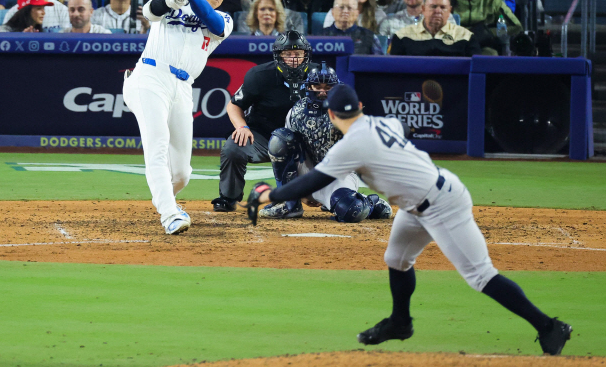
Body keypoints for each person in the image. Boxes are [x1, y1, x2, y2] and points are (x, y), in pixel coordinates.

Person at [248, 83, 573, 357]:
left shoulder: (352, 144)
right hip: (419, 203)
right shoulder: (380, 123)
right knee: (397, 258)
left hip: (443, 205)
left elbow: (310, 182)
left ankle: (549, 327)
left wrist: (267, 195)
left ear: (331, 115)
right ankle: (400, 322)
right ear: (359, 106)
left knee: (481, 275)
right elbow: (402, 128)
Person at [123, 0, 234, 234]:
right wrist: (172, 0)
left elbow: (214, 23)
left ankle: (164, 198)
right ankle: (170, 214)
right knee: (157, 143)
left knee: (183, 172)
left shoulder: (224, 18)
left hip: (184, 87)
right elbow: (150, 12)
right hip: (150, 76)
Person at [262, 64, 391, 220]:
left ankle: (370, 203)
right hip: (308, 171)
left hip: (337, 173)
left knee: (352, 211)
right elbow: (290, 151)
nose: (322, 91)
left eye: (328, 86)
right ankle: (288, 203)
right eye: (317, 86)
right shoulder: (296, 111)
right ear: (308, 86)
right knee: (280, 140)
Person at [211, 31, 312, 212]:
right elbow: (234, 105)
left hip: (305, 142)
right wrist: (242, 126)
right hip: (264, 136)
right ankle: (228, 197)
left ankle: (334, 196)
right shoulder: (260, 75)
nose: (293, 59)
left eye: (298, 54)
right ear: (278, 55)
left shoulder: (319, 77)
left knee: (315, 195)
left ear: (306, 54)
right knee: (234, 146)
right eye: (288, 54)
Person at [390, 0, 481, 56]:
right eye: (433, 7)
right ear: (423, 9)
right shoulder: (402, 36)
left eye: (443, 7)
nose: (438, 11)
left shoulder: (466, 37)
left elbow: (476, 71)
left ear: (450, 11)